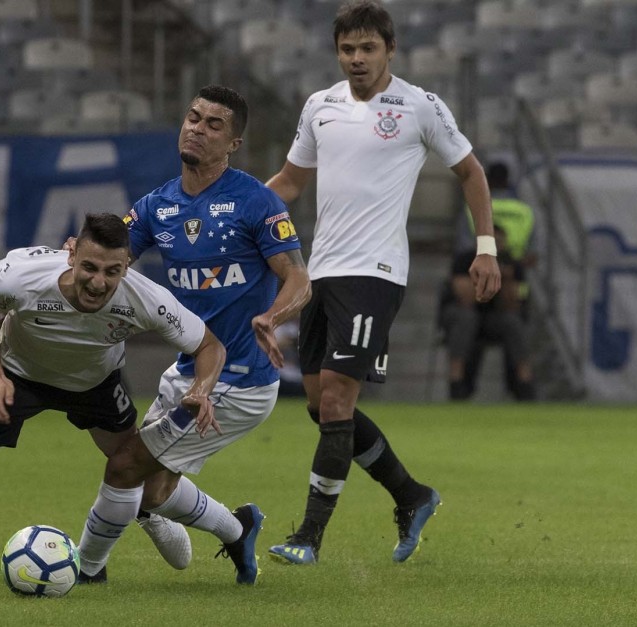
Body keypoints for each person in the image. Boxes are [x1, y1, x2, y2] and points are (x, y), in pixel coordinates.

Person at [264, 0, 501, 565]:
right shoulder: (319, 106)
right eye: (348, 49)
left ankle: (309, 538)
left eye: (368, 48)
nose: (357, 58)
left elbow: (470, 171)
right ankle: (412, 495)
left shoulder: (420, 106)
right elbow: (292, 181)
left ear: (390, 50)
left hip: (377, 272)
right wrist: (237, 209)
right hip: (322, 272)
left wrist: (486, 247)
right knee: (322, 405)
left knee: (341, 398)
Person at [0, 213, 222, 586]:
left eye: (112, 271)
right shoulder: (23, 274)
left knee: (134, 468)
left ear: (126, 266)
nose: (98, 282)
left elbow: (209, 345)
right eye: (89, 267)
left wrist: (200, 390)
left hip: (94, 384)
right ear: (71, 253)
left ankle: (146, 512)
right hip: (14, 375)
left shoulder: (147, 298)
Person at [74, 85, 311, 585]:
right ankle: (237, 528)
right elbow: (108, 264)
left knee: (124, 467)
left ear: (234, 143)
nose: (197, 129)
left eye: (214, 124)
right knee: (154, 490)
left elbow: (299, 278)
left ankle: (82, 570)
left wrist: (272, 316)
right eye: (193, 118)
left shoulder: (255, 203)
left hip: (239, 377)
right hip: (188, 368)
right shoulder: (156, 206)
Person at [442, 226, 535, 401]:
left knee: (513, 322)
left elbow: (514, 304)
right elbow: (465, 298)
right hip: (466, 313)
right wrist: (483, 280)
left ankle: (524, 383)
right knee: (466, 319)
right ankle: (457, 382)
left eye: (501, 242)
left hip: (494, 317)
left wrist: (506, 279)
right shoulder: (465, 260)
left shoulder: (512, 264)